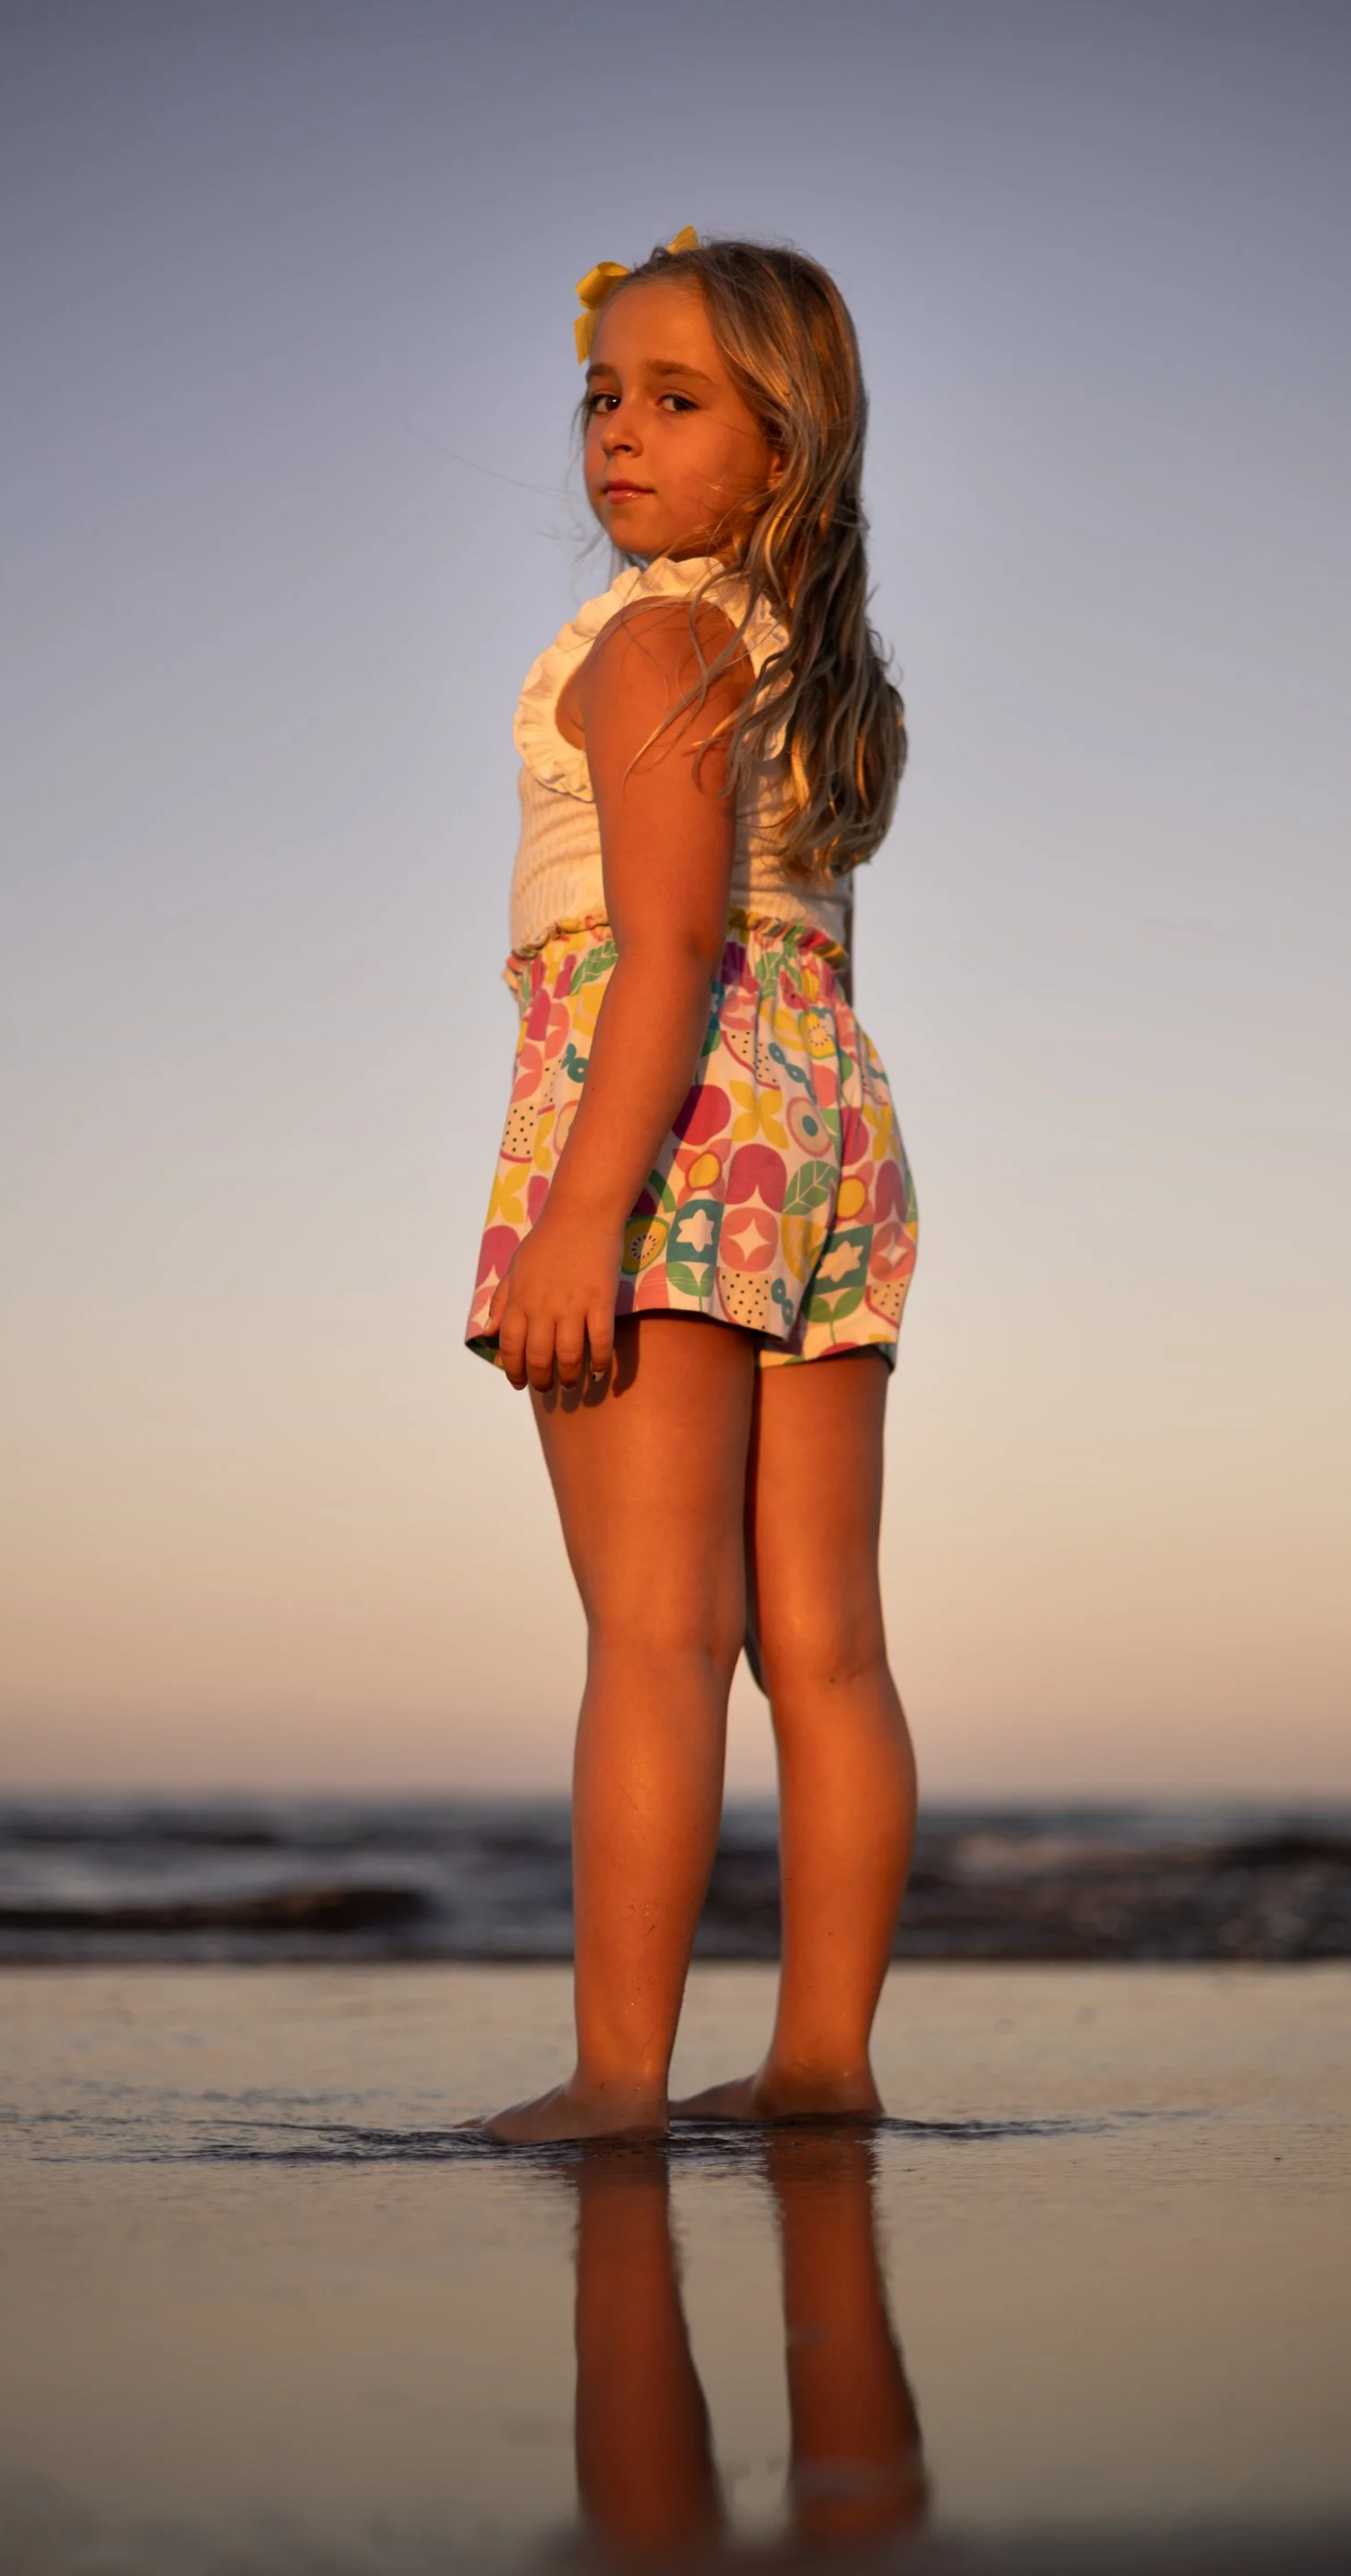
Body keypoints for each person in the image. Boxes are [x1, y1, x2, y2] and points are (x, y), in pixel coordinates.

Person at [465, 230, 919, 2144]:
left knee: (653, 1627)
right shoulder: (804, 671)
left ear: (782, 448)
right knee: (819, 1635)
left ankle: (618, 2079)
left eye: (673, 399)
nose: (617, 433)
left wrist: (578, 1209)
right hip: (819, 1113)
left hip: (665, 1108)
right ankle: (818, 2060)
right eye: (600, 394)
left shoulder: (650, 638)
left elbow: (657, 948)